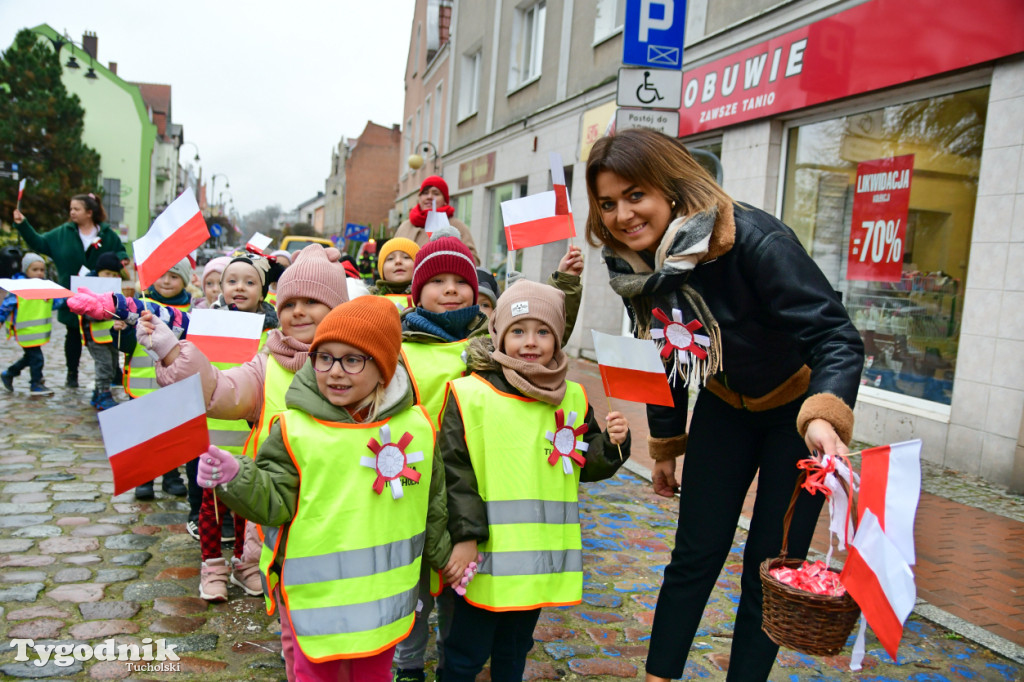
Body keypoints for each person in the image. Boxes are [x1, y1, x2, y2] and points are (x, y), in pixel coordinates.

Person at [584, 128, 864, 682]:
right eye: (608, 203)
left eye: (635, 195)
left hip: (795, 414)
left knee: (770, 565)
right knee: (693, 555)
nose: (621, 215)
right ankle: (659, 675)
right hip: (723, 406)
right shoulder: (643, 266)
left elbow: (837, 337)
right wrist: (665, 446)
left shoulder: (757, 241)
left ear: (670, 187)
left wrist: (826, 419)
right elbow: (663, 352)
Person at [194, 297, 457, 681]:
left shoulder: (415, 428)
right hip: (315, 600)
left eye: (353, 359)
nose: (335, 371)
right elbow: (275, 501)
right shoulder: (294, 429)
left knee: (373, 674)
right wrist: (236, 477)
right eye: (324, 357)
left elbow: (431, 504)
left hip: (383, 598)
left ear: (383, 367)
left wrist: (446, 557)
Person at [393, 232, 582, 682]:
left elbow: (540, 327)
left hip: (473, 487)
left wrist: (566, 285)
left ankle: (453, 653)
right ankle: (409, 663)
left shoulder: (488, 342)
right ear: (416, 292)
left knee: (460, 588)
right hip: (418, 485)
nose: (451, 289)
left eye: (460, 281)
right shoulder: (403, 345)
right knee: (415, 582)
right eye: (436, 281)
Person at [135, 244, 348, 608]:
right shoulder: (268, 364)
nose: (298, 311)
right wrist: (172, 351)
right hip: (279, 497)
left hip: (340, 499)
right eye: (289, 303)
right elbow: (220, 390)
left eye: (312, 302)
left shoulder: (360, 361)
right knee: (289, 585)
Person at [440, 279, 630, 681]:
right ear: (500, 335)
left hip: (535, 559)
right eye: (519, 330)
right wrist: (465, 534)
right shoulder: (468, 394)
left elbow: (586, 461)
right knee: (465, 651)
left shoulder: (573, 397)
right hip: (483, 557)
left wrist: (613, 445)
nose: (531, 341)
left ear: (558, 338)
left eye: (543, 331)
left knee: (514, 649)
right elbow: (454, 472)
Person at [13, 195, 129, 388]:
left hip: (101, 298)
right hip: (72, 295)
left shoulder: (107, 234)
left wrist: (121, 260)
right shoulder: (63, 233)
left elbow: (121, 252)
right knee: (73, 334)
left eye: (77, 209)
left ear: (89, 212)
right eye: (71, 208)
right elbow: (40, 243)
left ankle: (114, 374)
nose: (72, 212)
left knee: (107, 335)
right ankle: (72, 374)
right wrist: (23, 224)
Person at [1, 253, 61, 395]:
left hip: (37, 331)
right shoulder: (19, 288)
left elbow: (55, 304)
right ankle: (36, 384)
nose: (39, 273)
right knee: (37, 358)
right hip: (25, 331)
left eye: (42, 270)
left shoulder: (45, 287)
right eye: (35, 270)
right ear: (26, 270)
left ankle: (9, 373)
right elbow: (6, 306)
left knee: (30, 357)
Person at [394, 176, 480, 264]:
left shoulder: (455, 225)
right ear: (420, 198)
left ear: (445, 200)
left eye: (436, 193)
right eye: (425, 193)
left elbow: (473, 260)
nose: (429, 197)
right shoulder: (406, 226)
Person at [82, 252, 128, 410]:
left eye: (114, 275)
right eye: (107, 273)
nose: (110, 277)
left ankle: (97, 393)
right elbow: (89, 314)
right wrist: (106, 313)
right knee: (105, 365)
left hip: (112, 336)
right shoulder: (89, 289)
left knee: (113, 364)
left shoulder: (114, 289)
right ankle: (104, 394)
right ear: (99, 272)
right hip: (95, 337)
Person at [370, 237, 420, 311]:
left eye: (406, 257)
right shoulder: (370, 301)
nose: (398, 261)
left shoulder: (427, 298)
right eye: (390, 259)